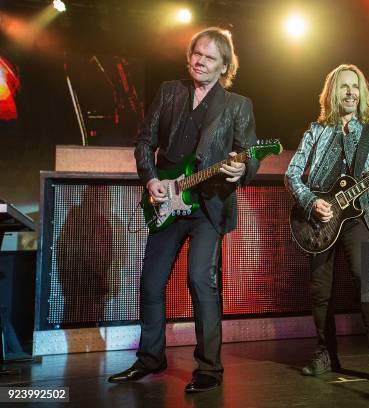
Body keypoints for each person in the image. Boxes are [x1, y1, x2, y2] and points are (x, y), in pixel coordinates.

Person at [108, 27, 259, 393]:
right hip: (167, 201)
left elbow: (250, 153)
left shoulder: (238, 105)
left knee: (200, 281)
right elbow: (144, 140)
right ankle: (150, 358)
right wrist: (151, 180)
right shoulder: (169, 91)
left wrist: (242, 169)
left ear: (224, 66)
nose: (200, 61)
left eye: (209, 57)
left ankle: (209, 368)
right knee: (151, 281)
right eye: (196, 53)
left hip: (209, 205)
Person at [285, 64, 369, 387]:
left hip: (358, 217)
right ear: (332, 92)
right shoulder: (316, 131)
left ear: (362, 94)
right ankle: (324, 353)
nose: (349, 92)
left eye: (355, 87)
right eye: (343, 86)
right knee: (320, 289)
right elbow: (291, 174)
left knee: (367, 279)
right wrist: (311, 202)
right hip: (320, 220)